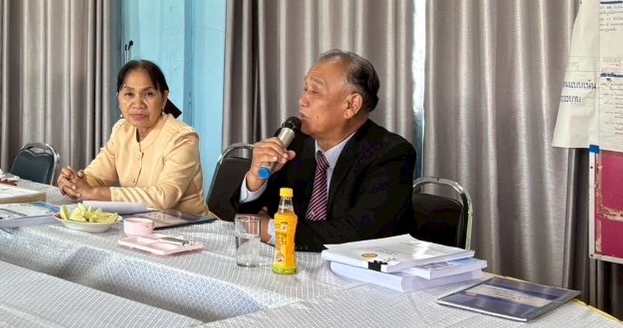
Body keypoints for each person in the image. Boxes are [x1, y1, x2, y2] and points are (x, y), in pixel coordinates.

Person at [221, 49, 416, 250]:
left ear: (351, 105)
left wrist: (274, 230)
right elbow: (246, 218)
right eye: (305, 89)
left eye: (314, 92)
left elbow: (360, 234)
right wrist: (255, 180)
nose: (302, 100)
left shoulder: (391, 154)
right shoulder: (293, 140)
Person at [57, 58, 208, 214]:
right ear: (119, 98)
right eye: (129, 94)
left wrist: (95, 193)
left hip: (190, 225)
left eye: (148, 94)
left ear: (164, 99)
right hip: (139, 222)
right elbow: (97, 177)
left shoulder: (182, 138)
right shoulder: (121, 131)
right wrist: (75, 183)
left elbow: (164, 197)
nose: (138, 104)